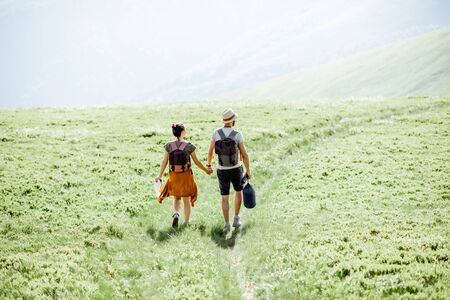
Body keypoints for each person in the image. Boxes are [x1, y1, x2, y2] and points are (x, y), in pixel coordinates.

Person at [156, 123, 212, 228]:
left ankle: (176, 213)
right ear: (182, 132)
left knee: (176, 198)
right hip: (185, 175)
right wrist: (206, 170)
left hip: (173, 175)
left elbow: (164, 161)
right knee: (186, 199)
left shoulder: (169, 145)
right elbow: (196, 161)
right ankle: (186, 222)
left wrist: (159, 176)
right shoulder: (188, 145)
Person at [207, 108, 251, 233]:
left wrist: (209, 165)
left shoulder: (216, 134)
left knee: (224, 197)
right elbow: (245, 155)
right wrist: (248, 170)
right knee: (238, 193)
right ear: (233, 121)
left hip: (222, 170)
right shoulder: (237, 134)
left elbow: (210, 152)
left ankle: (226, 224)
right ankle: (236, 219)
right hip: (236, 168)